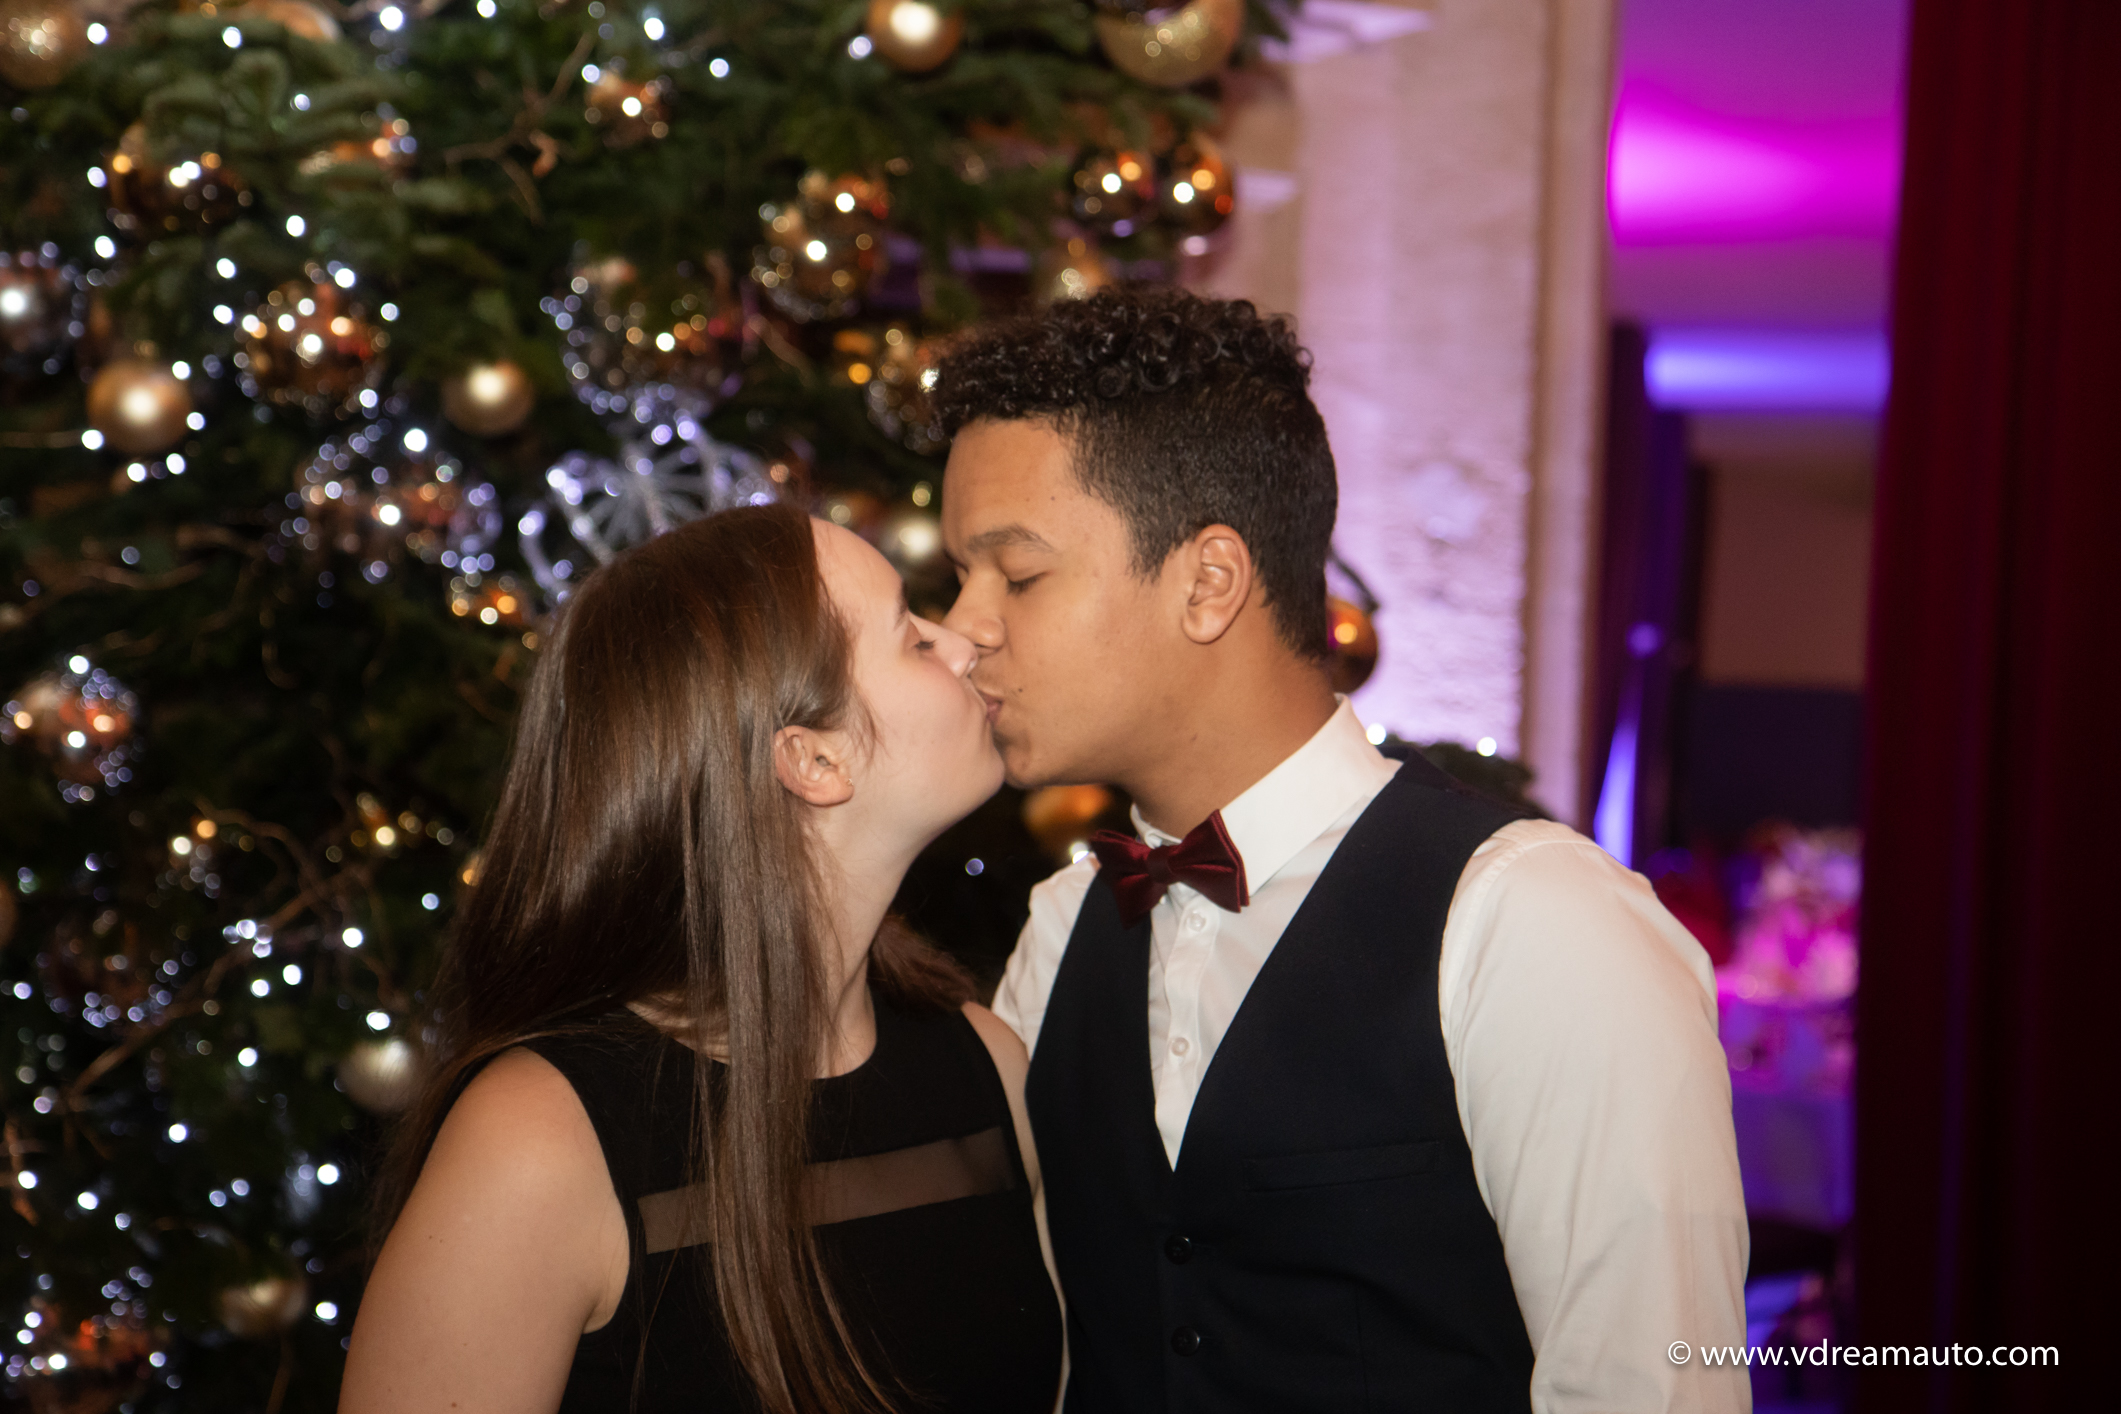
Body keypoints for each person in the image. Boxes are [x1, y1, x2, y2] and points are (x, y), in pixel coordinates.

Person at [930, 286, 1750, 1413]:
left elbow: (1650, 1389)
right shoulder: (1063, 927)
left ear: (1208, 583)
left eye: (1016, 574)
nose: (963, 627)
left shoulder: (1531, 920)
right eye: (960, 577)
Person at [341, 504, 1063, 1414]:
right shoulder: (539, 1142)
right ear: (813, 761)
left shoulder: (986, 1064)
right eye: (911, 637)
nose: (961, 643)